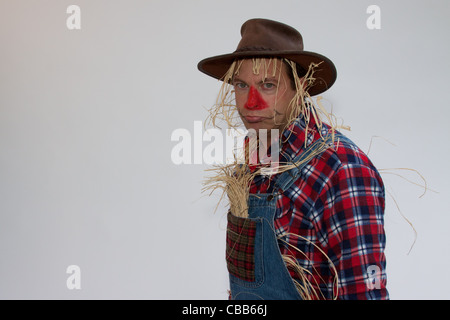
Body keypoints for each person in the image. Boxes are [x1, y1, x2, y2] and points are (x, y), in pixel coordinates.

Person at [198, 18, 388, 300]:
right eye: (241, 85)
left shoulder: (341, 170)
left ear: (300, 87)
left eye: (268, 85)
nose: (251, 103)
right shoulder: (248, 169)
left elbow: (363, 294)